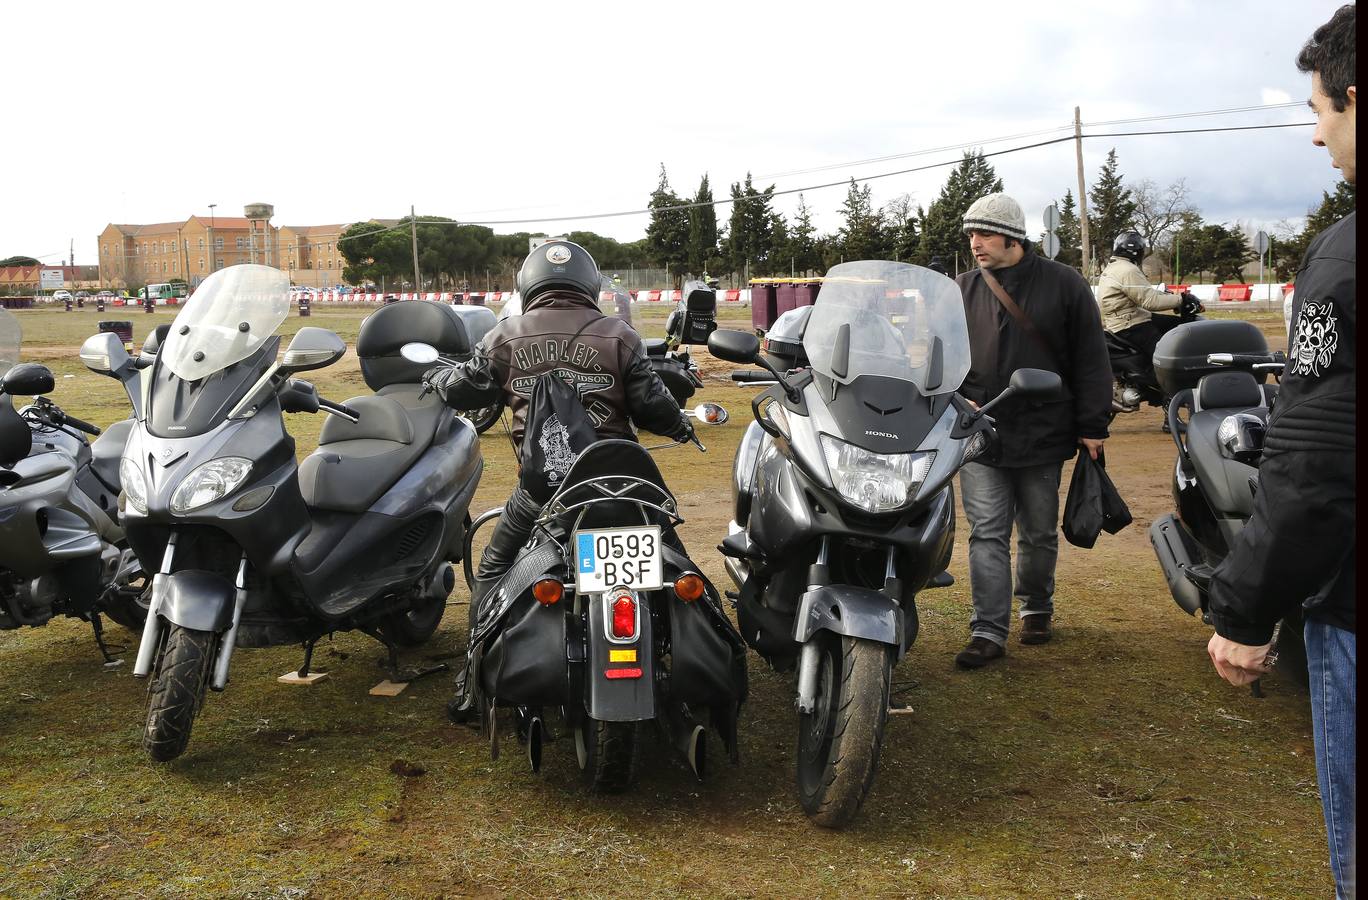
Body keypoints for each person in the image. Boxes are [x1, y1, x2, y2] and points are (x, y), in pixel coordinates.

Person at [1206, 7, 1355, 896]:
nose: (1314, 133)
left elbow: (1316, 464)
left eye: (1322, 110)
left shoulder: (1340, 261)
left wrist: (1245, 609)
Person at [422, 240, 691, 718]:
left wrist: (439, 379)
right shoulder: (619, 334)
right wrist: (680, 425)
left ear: (529, 285)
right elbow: (654, 407)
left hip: (546, 489)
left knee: (492, 568)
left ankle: (470, 682)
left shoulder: (504, 337)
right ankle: (691, 661)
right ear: (589, 284)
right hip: (623, 483)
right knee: (680, 565)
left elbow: (464, 389)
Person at [952, 193, 1113, 668]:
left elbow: (1090, 357)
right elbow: (941, 355)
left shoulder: (1065, 284)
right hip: (981, 434)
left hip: (1044, 431)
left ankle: (1037, 606)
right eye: (971, 234)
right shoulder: (960, 288)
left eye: (983, 233)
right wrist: (956, 398)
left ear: (1012, 236)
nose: (975, 243)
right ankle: (988, 630)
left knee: (1039, 532)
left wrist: (1092, 424)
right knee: (986, 533)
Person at [1098, 230, 1201, 364]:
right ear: (1137, 251)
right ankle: (1167, 380)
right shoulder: (1128, 270)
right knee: (1167, 355)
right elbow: (1150, 301)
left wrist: (1170, 297)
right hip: (1129, 324)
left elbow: (1146, 292)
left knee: (1177, 326)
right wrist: (1182, 299)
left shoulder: (1114, 267)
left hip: (1125, 319)